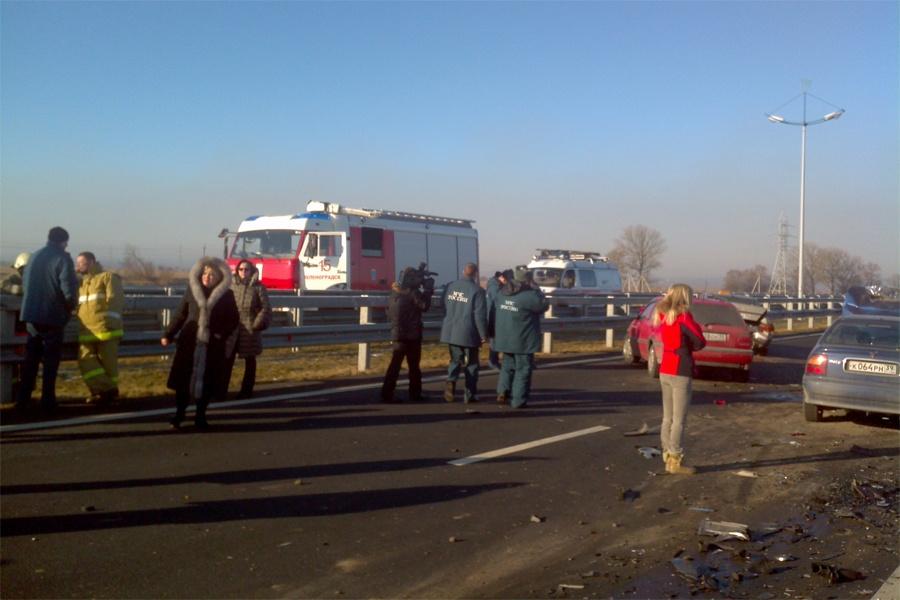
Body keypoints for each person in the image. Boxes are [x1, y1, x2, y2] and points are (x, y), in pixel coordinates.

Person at [161, 257, 239, 429]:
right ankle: (179, 414)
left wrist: (220, 335)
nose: (207, 277)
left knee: (207, 383)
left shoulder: (227, 295)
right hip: (189, 342)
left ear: (219, 277)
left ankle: (200, 416)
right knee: (183, 382)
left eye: (211, 274)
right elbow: (181, 314)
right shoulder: (192, 290)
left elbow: (233, 320)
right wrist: (169, 333)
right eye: (204, 273)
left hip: (212, 345)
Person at [16, 227, 78, 411]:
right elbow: (68, 289)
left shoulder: (34, 256)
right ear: (64, 241)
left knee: (31, 359)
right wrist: (70, 307)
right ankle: (47, 400)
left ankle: (23, 398)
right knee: (51, 361)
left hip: (31, 314)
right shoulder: (63, 258)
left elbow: (26, 284)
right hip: (52, 315)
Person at [652, 283, 706, 475]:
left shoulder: (663, 315)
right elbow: (700, 340)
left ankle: (667, 454)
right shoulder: (684, 317)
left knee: (667, 417)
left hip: (665, 367)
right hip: (681, 369)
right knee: (679, 420)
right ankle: (675, 460)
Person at [493, 266, 548, 409]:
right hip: (523, 340)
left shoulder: (502, 293)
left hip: (505, 337)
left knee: (507, 365)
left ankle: (502, 391)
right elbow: (543, 305)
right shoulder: (530, 296)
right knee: (523, 368)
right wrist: (536, 289)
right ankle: (518, 399)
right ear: (528, 279)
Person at [75, 252, 124, 405]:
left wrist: (108, 323)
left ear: (91, 262)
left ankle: (104, 395)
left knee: (108, 363)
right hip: (87, 330)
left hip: (106, 329)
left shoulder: (108, 277)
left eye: (81, 263)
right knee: (85, 360)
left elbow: (115, 301)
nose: (78, 266)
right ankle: (107, 389)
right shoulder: (83, 283)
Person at [380, 265, 434, 403]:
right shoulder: (412, 293)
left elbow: (388, 313)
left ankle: (387, 393)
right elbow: (424, 306)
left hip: (398, 333)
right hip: (412, 335)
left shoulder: (394, 293)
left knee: (395, 365)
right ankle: (415, 394)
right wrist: (428, 290)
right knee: (414, 367)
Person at [440, 263, 488, 403]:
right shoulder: (477, 291)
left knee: (455, 360)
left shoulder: (450, 286)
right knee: (472, 364)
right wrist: (483, 335)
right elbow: (479, 315)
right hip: (469, 332)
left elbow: (443, 305)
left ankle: (451, 380)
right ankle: (470, 394)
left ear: (463, 271)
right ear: (475, 274)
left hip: (451, 330)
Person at [225, 260, 272, 399]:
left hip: (250, 329)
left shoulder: (258, 288)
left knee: (250, 361)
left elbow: (266, 308)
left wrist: (256, 324)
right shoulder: (232, 286)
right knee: (227, 359)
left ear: (251, 271)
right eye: (241, 269)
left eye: (246, 270)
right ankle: (221, 390)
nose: (243, 272)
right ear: (237, 270)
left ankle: (246, 390)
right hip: (233, 329)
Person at [485, 270, 510, 370]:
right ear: (502, 278)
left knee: (495, 340)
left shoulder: (495, 285)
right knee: (494, 341)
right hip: (493, 317)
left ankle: (494, 361)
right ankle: (492, 361)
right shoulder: (495, 287)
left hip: (494, 316)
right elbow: (498, 301)